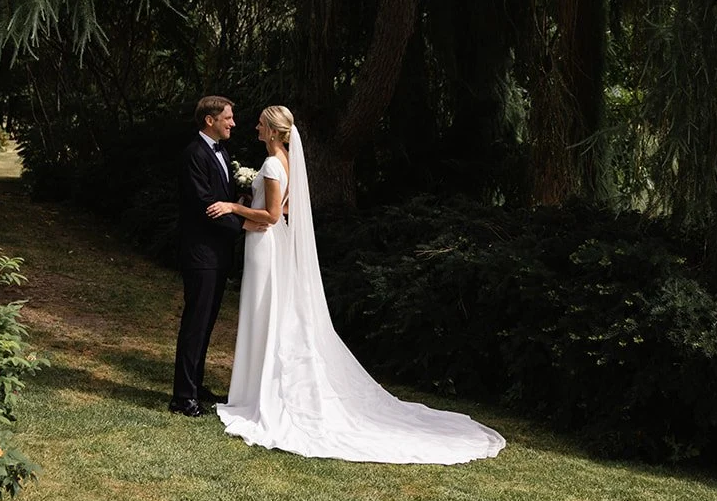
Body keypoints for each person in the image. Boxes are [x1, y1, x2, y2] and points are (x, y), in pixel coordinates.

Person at [205, 106, 505, 464]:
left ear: (272, 130)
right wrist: (249, 206)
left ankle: (258, 394)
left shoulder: (272, 165)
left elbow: (271, 215)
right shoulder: (285, 161)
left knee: (263, 313)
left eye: (260, 123)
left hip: (265, 245)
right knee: (268, 312)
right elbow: (284, 210)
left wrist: (234, 208)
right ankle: (253, 389)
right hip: (270, 241)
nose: (253, 126)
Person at [170, 95, 244, 416]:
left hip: (218, 255)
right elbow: (204, 205)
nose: (233, 123)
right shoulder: (193, 155)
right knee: (195, 325)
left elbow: (223, 198)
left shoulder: (222, 153)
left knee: (207, 324)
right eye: (227, 118)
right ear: (210, 120)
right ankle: (182, 397)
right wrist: (245, 225)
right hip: (201, 255)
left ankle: (196, 386)